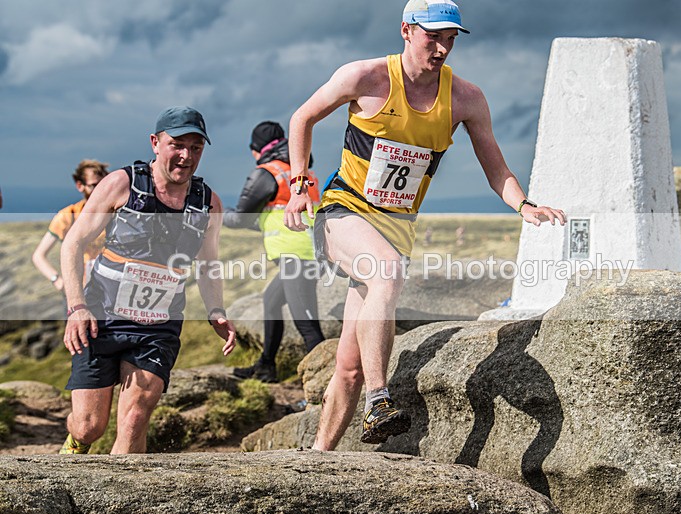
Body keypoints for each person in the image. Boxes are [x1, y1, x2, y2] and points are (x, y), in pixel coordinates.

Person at [285, 0, 566, 449]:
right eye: (433, 36)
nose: (441, 48)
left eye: (450, 39)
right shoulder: (364, 76)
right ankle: (380, 401)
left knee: (350, 364)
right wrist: (300, 183)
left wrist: (523, 205)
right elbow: (302, 118)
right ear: (406, 30)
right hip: (345, 211)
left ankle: (319, 457)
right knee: (385, 271)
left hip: (396, 227)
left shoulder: (466, 98)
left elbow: (496, 168)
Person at [59, 106, 236, 454]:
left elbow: (208, 262)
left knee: (135, 417)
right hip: (100, 319)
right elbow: (74, 242)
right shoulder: (122, 184)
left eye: (196, 147)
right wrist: (76, 307)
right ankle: (75, 443)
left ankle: (120, 504)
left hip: (158, 325)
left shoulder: (207, 202)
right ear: (156, 143)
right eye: (177, 145)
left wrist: (216, 309)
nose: (186, 156)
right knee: (89, 426)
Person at [224, 121, 325, 382]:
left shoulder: (267, 173)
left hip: (296, 257)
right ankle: (266, 365)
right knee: (271, 302)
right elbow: (276, 217)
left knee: (308, 327)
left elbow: (240, 219)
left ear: (256, 149)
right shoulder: (302, 173)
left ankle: (328, 385)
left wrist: (212, 212)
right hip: (307, 251)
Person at [32, 160, 109, 292]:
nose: (99, 191)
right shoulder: (69, 216)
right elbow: (38, 255)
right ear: (80, 185)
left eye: (102, 185)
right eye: (93, 186)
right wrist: (57, 280)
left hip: (107, 292)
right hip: (78, 292)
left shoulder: (114, 216)